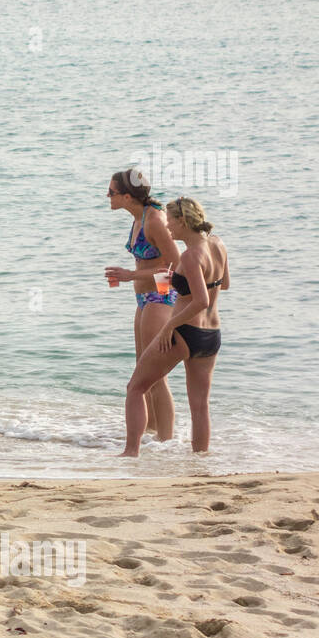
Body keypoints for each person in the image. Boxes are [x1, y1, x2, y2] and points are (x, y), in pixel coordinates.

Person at [119, 197, 229, 457]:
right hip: (211, 335)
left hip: (185, 331)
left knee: (136, 387)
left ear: (183, 221)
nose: (167, 228)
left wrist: (170, 325)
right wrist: (181, 278)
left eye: (170, 222)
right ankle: (199, 460)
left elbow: (199, 301)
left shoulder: (191, 255)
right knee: (200, 406)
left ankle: (130, 452)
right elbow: (222, 284)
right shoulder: (217, 244)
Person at [104, 168, 177, 441]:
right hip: (143, 299)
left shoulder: (154, 220)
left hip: (161, 297)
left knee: (155, 375)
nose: (107, 196)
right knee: (143, 372)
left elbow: (175, 266)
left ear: (127, 196)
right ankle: (150, 434)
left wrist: (131, 275)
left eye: (111, 192)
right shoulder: (138, 218)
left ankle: (166, 441)